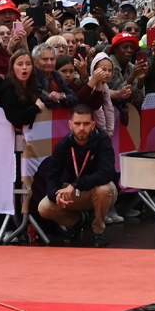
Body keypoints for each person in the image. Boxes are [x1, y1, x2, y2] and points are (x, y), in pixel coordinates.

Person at [38, 105, 118, 248]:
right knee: (44, 207)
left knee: (103, 190)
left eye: (86, 123)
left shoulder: (103, 140)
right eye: (77, 123)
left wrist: (75, 185)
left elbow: (106, 173)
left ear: (93, 124)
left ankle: (99, 230)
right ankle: (76, 222)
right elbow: (51, 177)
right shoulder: (63, 145)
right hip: (75, 192)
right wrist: (55, 195)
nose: (82, 128)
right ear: (70, 124)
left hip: (99, 189)